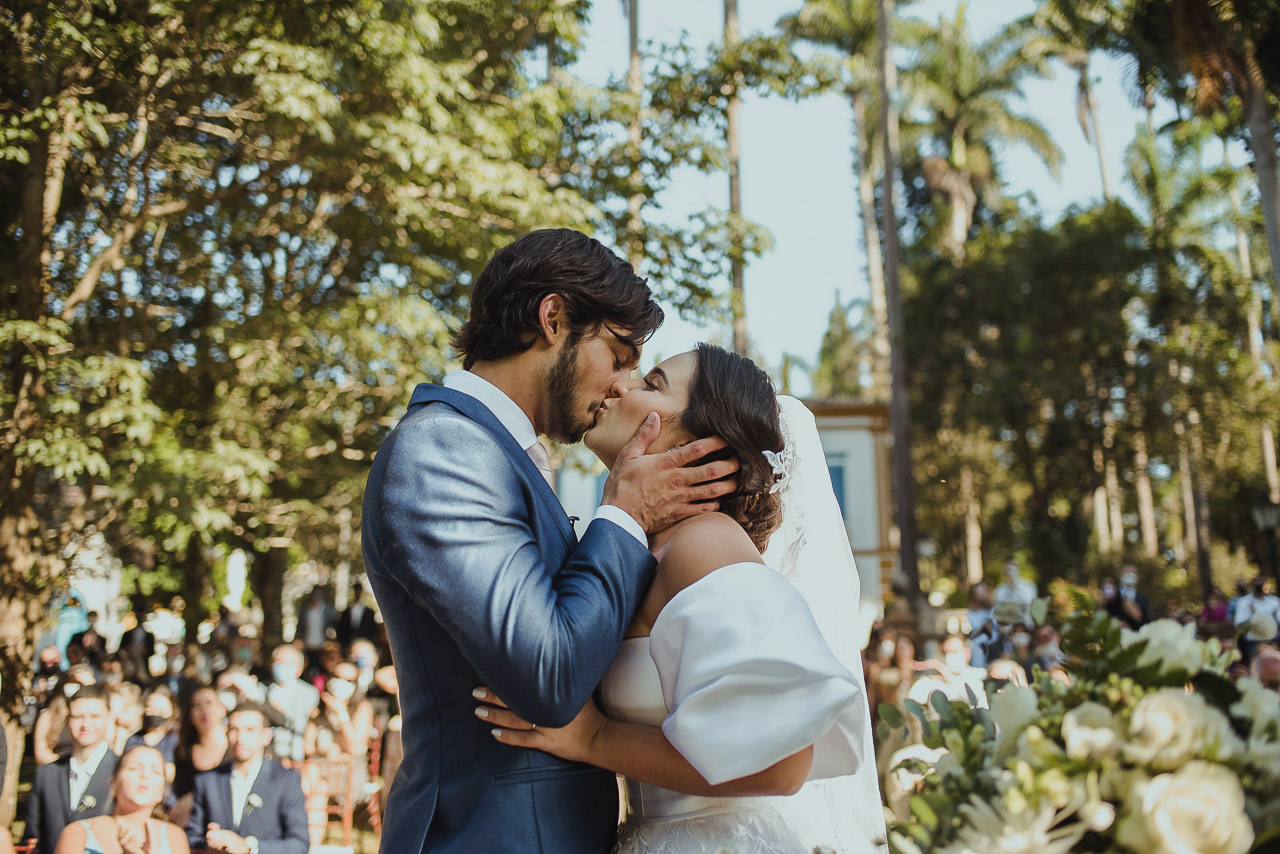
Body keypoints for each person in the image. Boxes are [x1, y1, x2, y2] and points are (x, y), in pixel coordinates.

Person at [362, 229, 740, 853]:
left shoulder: (505, 457)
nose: (622, 385)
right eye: (618, 354)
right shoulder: (443, 450)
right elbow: (550, 673)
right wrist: (624, 514)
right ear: (554, 318)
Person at [475, 348, 880, 853]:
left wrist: (593, 739)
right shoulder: (637, 548)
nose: (620, 385)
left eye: (653, 381)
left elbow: (783, 765)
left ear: (696, 444)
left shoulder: (704, 543)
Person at [186, 702, 309, 854]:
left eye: (250, 730)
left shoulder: (286, 780)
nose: (240, 738)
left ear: (266, 736)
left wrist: (249, 847)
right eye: (234, 730)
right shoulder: (207, 781)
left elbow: (299, 845)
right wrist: (211, 842)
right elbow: (191, 838)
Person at [24, 684, 120, 854]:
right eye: (78, 717)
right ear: (68, 719)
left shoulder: (121, 773)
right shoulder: (46, 774)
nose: (86, 724)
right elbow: (32, 839)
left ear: (110, 717)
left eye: (95, 716)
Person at [53, 745, 189, 854]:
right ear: (114, 784)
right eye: (134, 768)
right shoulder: (78, 833)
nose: (145, 775)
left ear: (162, 792)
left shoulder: (174, 837)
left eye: (155, 772)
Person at [170, 688, 231, 830]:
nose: (203, 710)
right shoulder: (182, 752)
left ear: (222, 709)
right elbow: (179, 797)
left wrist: (194, 796)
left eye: (209, 703)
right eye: (196, 706)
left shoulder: (236, 748)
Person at [335, 582, 378, 649]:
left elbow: (372, 629)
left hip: (364, 644)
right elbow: (341, 629)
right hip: (348, 644)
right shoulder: (346, 612)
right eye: (356, 591)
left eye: (359, 591)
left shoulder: (369, 612)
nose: (358, 593)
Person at [1106, 564, 1150, 630]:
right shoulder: (1112, 594)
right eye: (1126, 573)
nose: (1129, 575)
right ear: (1120, 576)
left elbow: (1145, 621)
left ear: (1137, 577)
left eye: (1133, 573)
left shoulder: (1143, 598)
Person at [993, 561, 1036, 626]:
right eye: (1007, 570)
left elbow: (1029, 603)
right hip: (1007, 626)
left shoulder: (1028, 586)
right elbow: (998, 607)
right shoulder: (999, 590)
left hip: (1026, 624)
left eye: (1012, 569)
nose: (1010, 573)